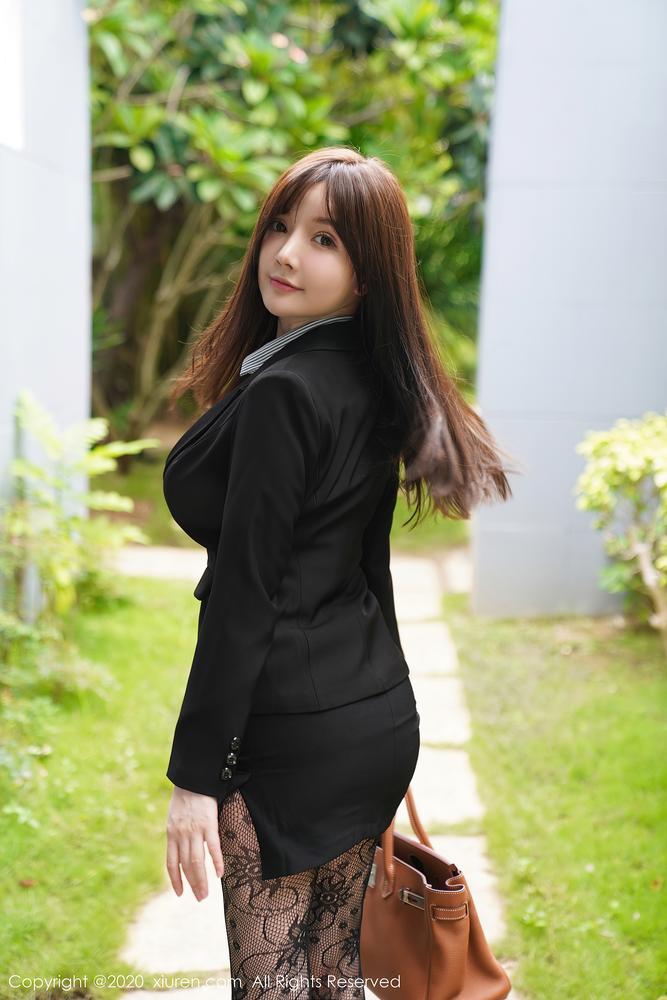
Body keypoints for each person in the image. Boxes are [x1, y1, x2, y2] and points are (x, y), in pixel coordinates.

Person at [162, 146, 513, 999]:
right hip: (372, 721)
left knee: (277, 986)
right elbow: (369, 565)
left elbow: (246, 594)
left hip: (290, 739)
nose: (286, 254)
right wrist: (382, 713)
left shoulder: (285, 393)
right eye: (280, 226)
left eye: (324, 239)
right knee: (334, 975)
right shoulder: (372, 376)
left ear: (366, 272)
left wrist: (194, 780)